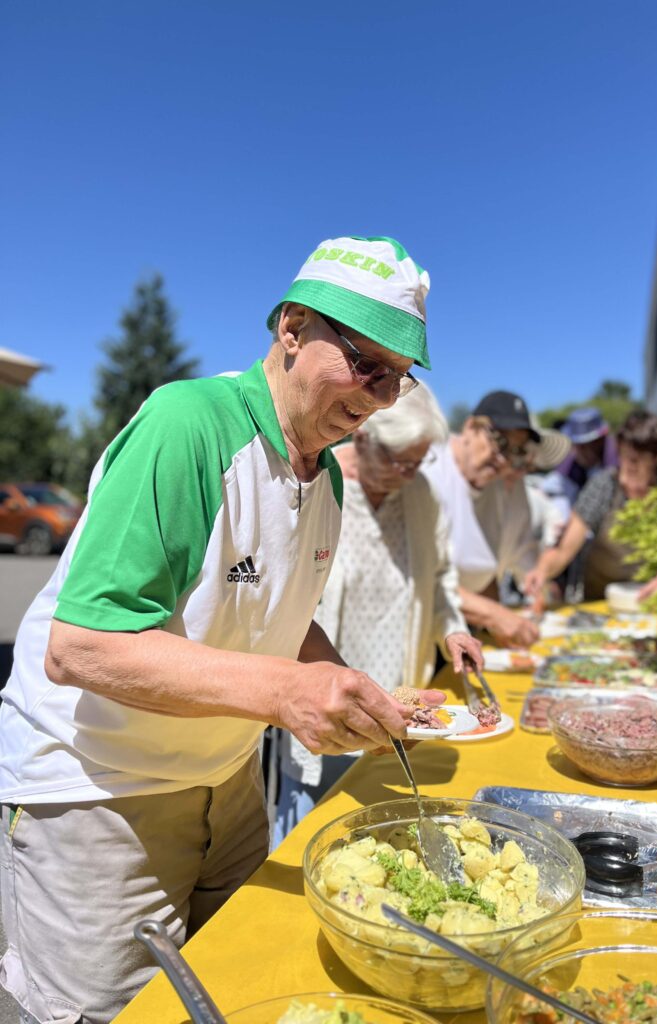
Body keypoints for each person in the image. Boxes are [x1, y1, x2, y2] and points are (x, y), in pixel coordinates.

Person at [0, 234, 436, 1024]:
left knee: (245, 985)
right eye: (365, 364)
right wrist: (284, 694)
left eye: (397, 377)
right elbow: (82, 646)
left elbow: (283, 620)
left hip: (227, 782)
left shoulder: (326, 477)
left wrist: (356, 692)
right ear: (293, 328)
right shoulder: (189, 424)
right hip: (101, 792)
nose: (378, 396)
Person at [273, 382, 483, 846]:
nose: (406, 475)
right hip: (323, 697)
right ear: (364, 435)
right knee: (313, 838)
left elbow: (439, 579)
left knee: (387, 842)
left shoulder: (421, 495)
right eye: (397, 461)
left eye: (416, 463)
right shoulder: (317, 485)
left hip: (398, 704)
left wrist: (453, 630)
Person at [421, 391, 570, 647]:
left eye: (515, 451)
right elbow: (424, 578)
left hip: (462, 632)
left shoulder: (498, 482)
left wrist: (498, 619)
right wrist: (494, 615)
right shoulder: (428, 472)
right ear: (470, 427)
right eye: (499, 441)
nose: (503, 459)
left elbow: (485, 567)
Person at [524, 410, 657, 603]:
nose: (626, 471)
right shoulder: (604, 485)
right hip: (600, 597)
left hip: (650, 599)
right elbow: (564, 549)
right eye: (622, 457)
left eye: (635, 461)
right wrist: (542, 571)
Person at [556, 407, 619, 506]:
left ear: (601, 440)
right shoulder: (568, 465)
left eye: (586, 444)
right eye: (577, 445)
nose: (580, 450)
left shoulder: (617, 455)